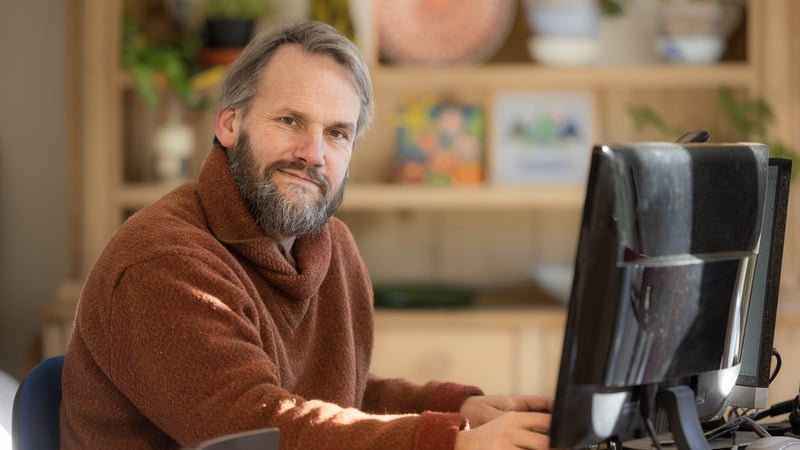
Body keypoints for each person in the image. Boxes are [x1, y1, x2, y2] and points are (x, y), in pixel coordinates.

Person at [60, 21, 552, 449]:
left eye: (337, 133)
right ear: (229, 123)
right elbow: (256, 430)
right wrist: (449, 442)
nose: (313, 154)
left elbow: (337, 400)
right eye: (290, 120)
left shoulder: (332, 246)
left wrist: (457, 409)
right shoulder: (163, 262)